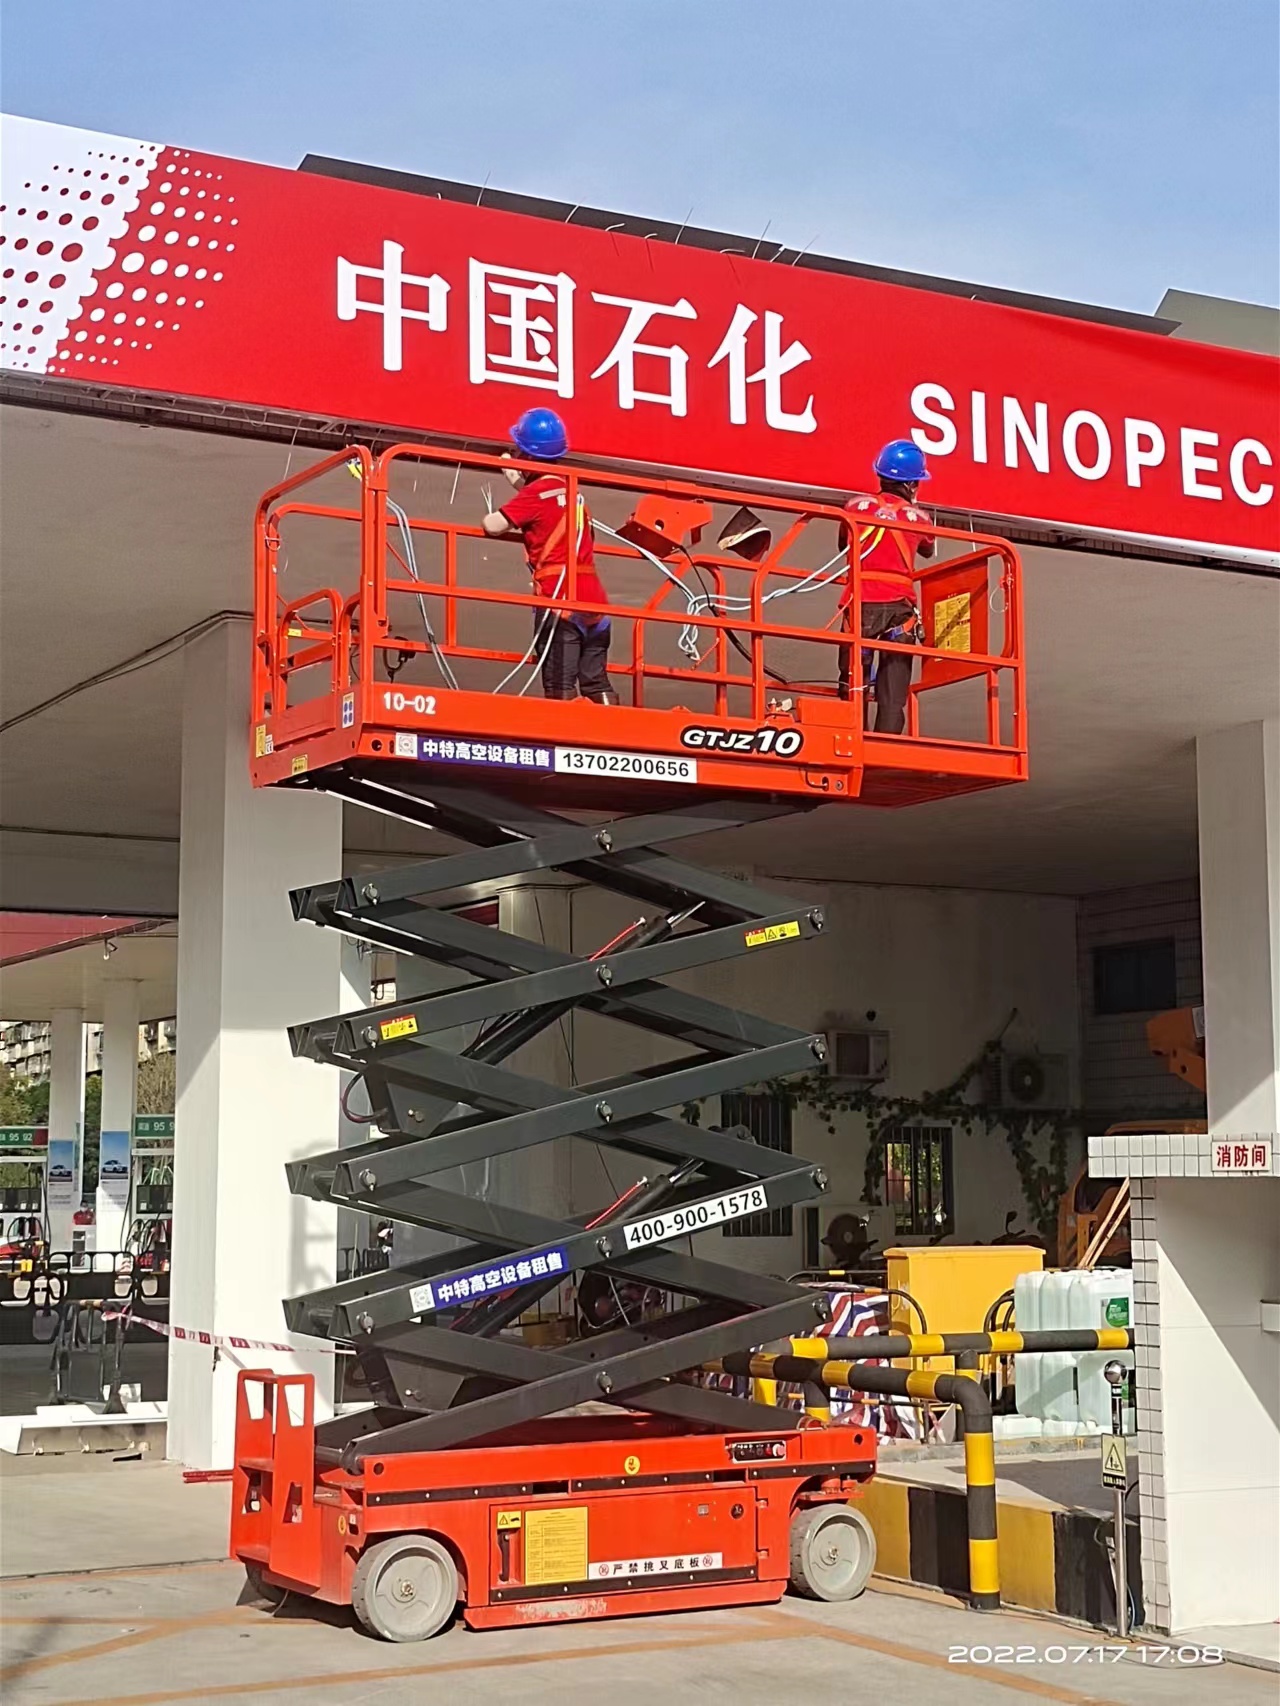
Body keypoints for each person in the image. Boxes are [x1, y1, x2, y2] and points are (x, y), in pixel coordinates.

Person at [480, 408, 618, 703]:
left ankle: (565, 727)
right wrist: (516, 478)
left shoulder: (535, 495)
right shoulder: (572, 491)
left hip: (558, 599)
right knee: (595, 681)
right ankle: (612, 722)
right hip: (594, 600)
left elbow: (494, 525)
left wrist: (495, 508)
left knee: (559, 683)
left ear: (528, 455)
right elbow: (546, 502)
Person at [837, 439, 936, 733]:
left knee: (853, 686)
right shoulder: (919, 518)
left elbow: (843, 545)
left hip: (860, 606)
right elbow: (928, 549)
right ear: (912, 483)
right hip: (898, 610)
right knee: (892, 696)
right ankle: (885, 744)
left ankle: (850, 738)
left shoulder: (854, 507)